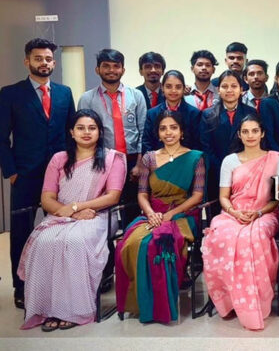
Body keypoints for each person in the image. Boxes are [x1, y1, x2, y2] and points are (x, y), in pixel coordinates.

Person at [18, 110, 126, 331]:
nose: (86, 132)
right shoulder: (59, 159)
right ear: (71, 132)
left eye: (92, 128)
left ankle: (74, 310)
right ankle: (48, 309)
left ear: (100, 132)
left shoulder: (112, 159)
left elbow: (112, 197)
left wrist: (77, 206)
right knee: (44, 242)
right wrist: (72, 213)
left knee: (75, 242)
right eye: (80, 128)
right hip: (61, 215)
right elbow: (47, 198)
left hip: (98, 215)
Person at [0, 38, 76, 309]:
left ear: (54, 63)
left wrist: (72, 168)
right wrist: (11, 172)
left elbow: (71, 133)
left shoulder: (65, 93)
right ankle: (21, 287)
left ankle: (57, 284)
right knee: (21, 232)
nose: (44, 63)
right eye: (38, 58)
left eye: (48, 59)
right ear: (27, 61)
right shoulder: (10, 94)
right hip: (25, 176)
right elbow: (1, 138)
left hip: (59, 177)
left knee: (60, 231)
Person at [115, 111, 205, 324]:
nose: (168, 132)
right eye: (163, 128)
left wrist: (170, 215)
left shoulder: (195, 157)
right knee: (131, 244)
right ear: (158, 133)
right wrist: (151, 214)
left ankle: (163, 306)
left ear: (181, 132)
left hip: (182, 214)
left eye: (173, 128)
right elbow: (142, 193)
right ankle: (141, 303)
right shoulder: (149, 158)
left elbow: (197, 196)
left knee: (160, 244)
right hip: (152, 214)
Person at [202, 115, 279, 330]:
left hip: (264, 214)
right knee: (221, 236)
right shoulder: (230, 161)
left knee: (253, 238)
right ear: (239, 134)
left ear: (262, 133)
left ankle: (256, 302)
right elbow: (223, 197)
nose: (250, 136)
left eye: (255, 131)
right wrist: (234, 212)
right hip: (233, 212)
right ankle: (229, 301)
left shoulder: (274, 159)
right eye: (245, 131)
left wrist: (258, 212)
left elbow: (277, 199)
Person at [78, 48, 146, 221]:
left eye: (116, 66)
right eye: (106, 66)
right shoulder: (87, 98)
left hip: (132, 160)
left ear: (123, 70)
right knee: (104, 211)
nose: (111, 70)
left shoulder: (136, 96)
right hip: (102, 159)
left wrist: (139, 164)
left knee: (132, 208)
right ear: (97, 69)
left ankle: (129, 237)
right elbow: (83, 135)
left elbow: (143, 131)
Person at [201, 71, 257, 205]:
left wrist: (241, 168)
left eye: (234, 86)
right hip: (217, 173)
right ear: (218, 90)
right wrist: (224, 168)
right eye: (225, 86)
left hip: (247, 172)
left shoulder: (251, 112)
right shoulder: (208, 114)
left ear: (241, 89)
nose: (229, 90)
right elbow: (206, 147)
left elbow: (255, 143)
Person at [143, 70, 201, 153]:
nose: (173, 90)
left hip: (187, 158)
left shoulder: (194, 113)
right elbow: (147, 142)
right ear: (162, 88)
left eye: (178, 87)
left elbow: (197, 143)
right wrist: (154, 159)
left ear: (184, 88)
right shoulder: (152, 114)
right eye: (168, 86)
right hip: (158, 159)